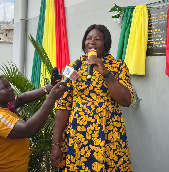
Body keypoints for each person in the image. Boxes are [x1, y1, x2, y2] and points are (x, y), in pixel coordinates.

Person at [50, 24, 134, 171]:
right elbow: (63, 107)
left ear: (106, 44)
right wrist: (56, 144)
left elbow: (126, 101)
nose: (92, 42)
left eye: (98, 39)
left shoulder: (118, 66)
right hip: (79, 138)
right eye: (88, 38)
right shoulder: (73, 67)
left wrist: (106, 73)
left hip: (109, 135)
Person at [0, 72, 67, 172]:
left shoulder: (4, 109)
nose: (10, 88)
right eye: (5, 87)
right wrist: (52, 98)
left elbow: (21, 99)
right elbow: (27, 130)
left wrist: (48, 88)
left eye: (9, 85)